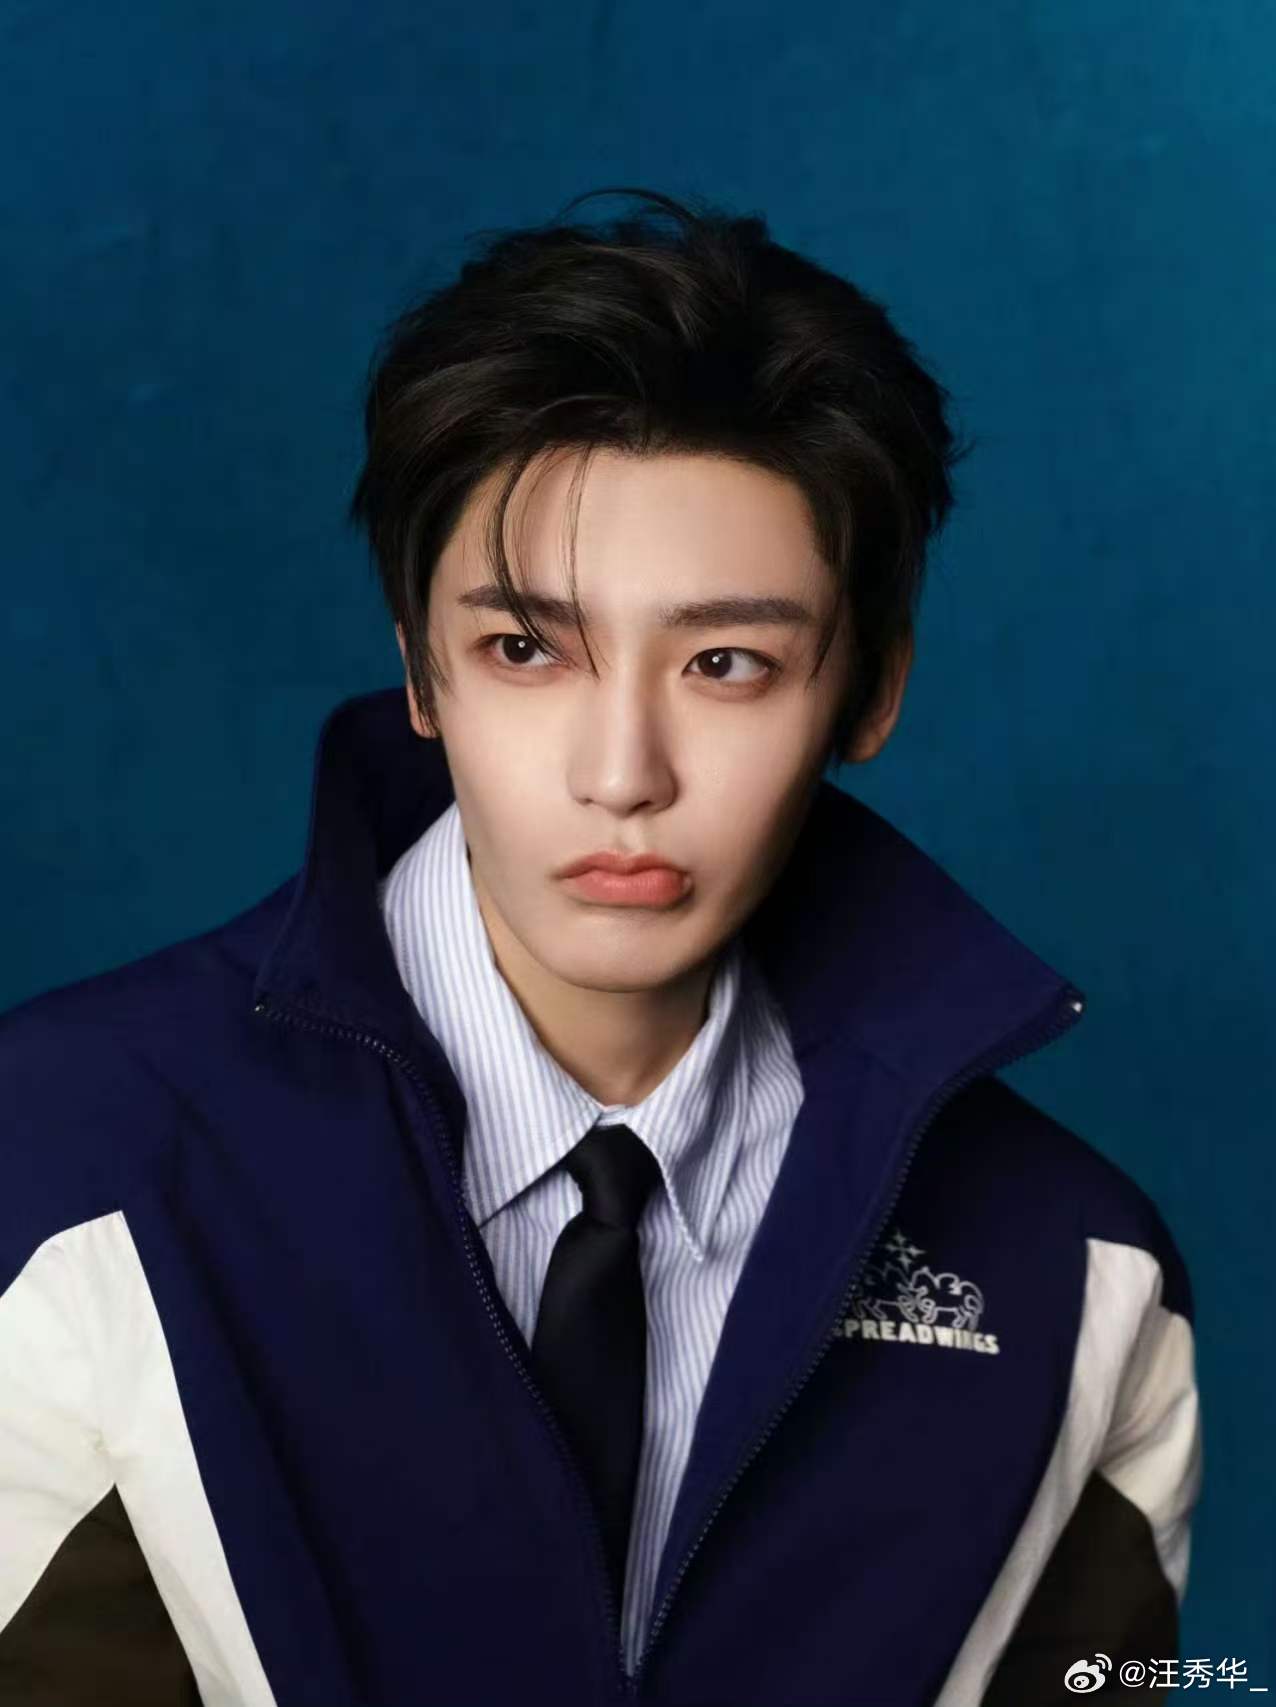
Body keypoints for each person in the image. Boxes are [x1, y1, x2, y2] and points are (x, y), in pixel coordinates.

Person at [0, 187, 1201, 1707]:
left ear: (867, 693)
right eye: (525, 649)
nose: (622, 772)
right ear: (419, 669)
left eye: (727, 663)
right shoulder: (54, 1160)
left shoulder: (1079, 1271)